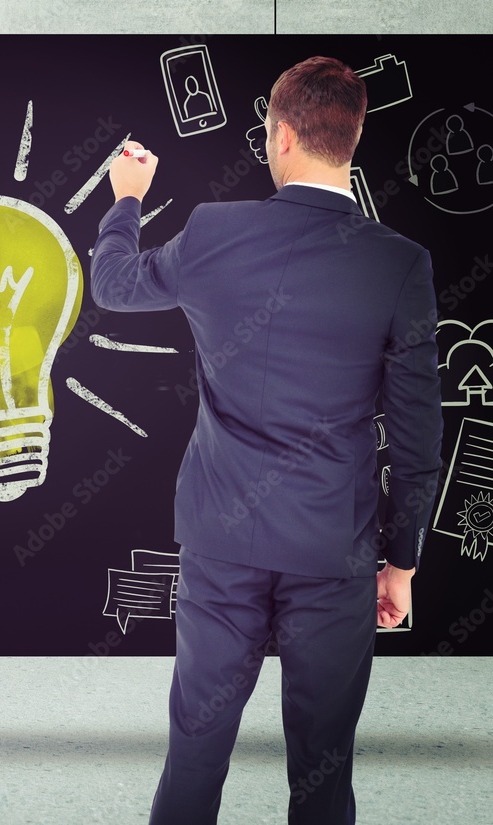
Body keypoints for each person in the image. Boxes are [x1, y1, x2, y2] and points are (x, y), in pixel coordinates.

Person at [91, 56, 443, 824]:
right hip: (335, 551)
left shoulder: (216, 233)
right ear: (349, 143)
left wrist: (125, 200)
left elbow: (112, 285)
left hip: (223, 546)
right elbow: (418, 439)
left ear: (280, 136)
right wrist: (403, 561)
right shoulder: (399, 264)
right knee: (322, 773)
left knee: (195, 754)